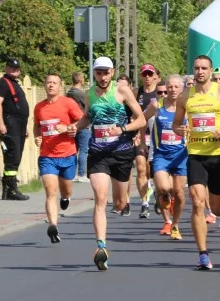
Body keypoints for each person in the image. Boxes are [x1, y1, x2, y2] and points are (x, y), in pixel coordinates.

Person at [172, 54, 220, 270]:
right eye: (196, 68)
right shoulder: (185, 96)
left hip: (219, 154)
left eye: (204, 68)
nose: (200, 72)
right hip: (195, 154)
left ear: (211, 71)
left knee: (216, 208)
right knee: (197, 202)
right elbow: (177, 124)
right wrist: (179, 129)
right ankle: (203, 253)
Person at [74, 56, 146, 270]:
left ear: (112, 73)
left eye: (106, 72)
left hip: (121, 152)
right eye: (99, 72)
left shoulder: (122, 91)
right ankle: (101, 247)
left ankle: (123, 203)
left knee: (120, 203)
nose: (102, 76)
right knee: (100, 198)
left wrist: (123, 129)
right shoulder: (89, 94)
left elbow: (140, 119)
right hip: (98, 153)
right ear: (94, 74)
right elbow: (87, 118)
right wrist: (74, 127)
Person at [34, 73, 84, 244]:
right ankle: (53, 225)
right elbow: (36, 126)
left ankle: (66, 198)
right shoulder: (39, 107)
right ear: (44, 85)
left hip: (67, 154)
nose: (51, 85)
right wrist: (37, 137)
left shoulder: (68, 103)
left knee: (66, 190)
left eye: (55, 83)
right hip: (47, 156)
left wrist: (70, 128)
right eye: (48, 82)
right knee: (50, 192)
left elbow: (83, 120)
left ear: (60, 86)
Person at [145, 75, 187, 240]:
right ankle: (163, 201)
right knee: (163, 188)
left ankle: (174, 224)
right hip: (161, 154)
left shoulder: (187, 107)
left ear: (182, 89)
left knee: (179, 193)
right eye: (170, 86)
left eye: (176, 87)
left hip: (181, 155)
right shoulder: (157, 105)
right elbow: (141, 118)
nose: (173, 90)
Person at [0, 58, 30, 201]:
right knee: (12, 157)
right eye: (12, 67)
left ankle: (9, 187)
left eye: (17, 68)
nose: (15, 70)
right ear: (6, 68)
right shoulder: (2, 83)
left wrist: (24, 126)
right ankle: (11, 189)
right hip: (10, 123)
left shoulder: (15, 84)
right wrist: (1, 123)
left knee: (17, 156)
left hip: (19, 124)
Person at [134, 64, 160, 217]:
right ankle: (144, 203)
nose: (148, 78)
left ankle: (158, 192)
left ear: (155, 76)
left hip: (157, 136)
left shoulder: (161, 92)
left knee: (154, 170)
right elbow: (129, 112)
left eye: (150, 74)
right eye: (145, 75)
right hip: (140, 135)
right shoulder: (137, 93)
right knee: (141, 168)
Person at [66, 71, 90, 183]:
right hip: (82, 123)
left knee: (73, 150)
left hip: (71, 124)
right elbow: (88, 107)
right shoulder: (80, 94)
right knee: (83, 150)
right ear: (81, 80)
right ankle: (81, 174)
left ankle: (72, 173)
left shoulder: (68, 93)